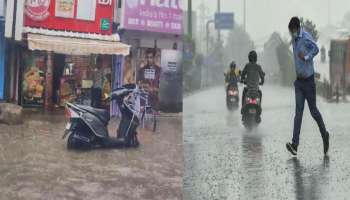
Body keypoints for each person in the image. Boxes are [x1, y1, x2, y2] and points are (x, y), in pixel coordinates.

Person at [286, 16, 330, 156]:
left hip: (309, 82)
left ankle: (325, 135)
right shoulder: (293, 39)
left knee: (313, 112)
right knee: (298, 113)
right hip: (299, 82)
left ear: (297, 28)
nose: (292, 33)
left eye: (293, 30)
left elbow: (316, 49)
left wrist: (306, 57)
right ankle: (295, 144)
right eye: (290, 31)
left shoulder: (305, 37)